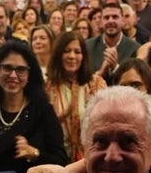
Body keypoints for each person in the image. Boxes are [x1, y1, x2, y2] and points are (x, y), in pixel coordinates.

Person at [0, 41, 67, 173]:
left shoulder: (43, 111)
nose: (13, 75)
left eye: (20, 70)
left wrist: (35, 154)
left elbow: (61, 162)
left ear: (29, 75)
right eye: (7, 68)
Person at [45, 30, 107, 161]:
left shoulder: (96, 84)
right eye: (66, 51)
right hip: (56, 160)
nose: (72, 56)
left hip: (90, 160)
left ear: (83, 56)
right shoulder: (47, 87)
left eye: (77, 52)